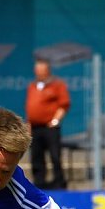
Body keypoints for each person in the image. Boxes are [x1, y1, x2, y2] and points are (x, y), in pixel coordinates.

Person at [25, 58, 70, 190]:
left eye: (41, 70)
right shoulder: (33, 86)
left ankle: (59, 182)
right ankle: (39, 183)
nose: (38, 73)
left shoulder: (57, 85)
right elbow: (30, 106)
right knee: (36, 157)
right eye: (36, 70)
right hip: (35, 127)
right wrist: (29, 123)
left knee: (55, 156)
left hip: (50, 128)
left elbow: (64, 104)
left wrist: (55, 120)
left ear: (47, 70)